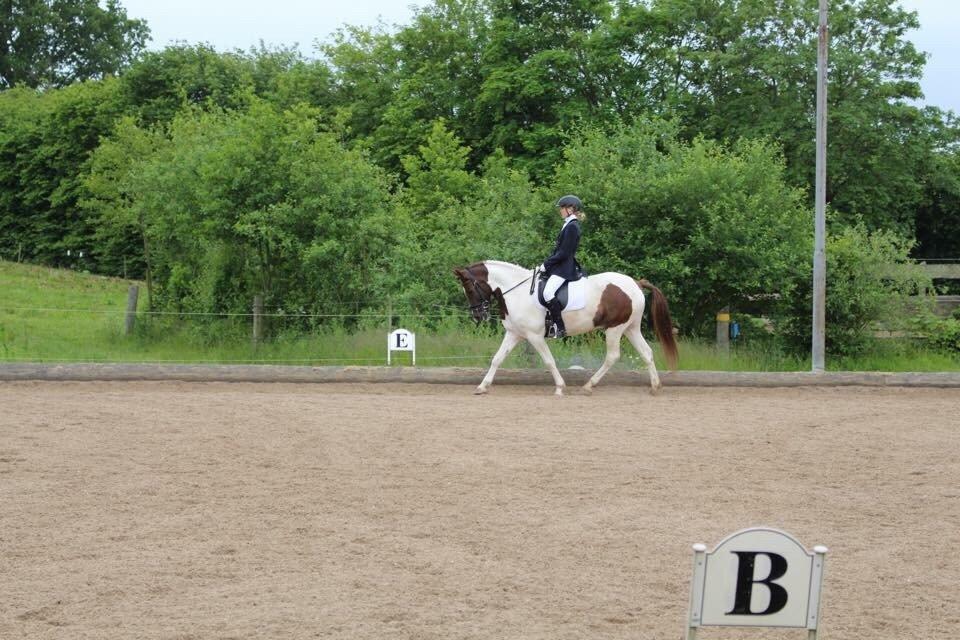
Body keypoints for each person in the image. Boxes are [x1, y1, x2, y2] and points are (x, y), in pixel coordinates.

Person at [539, 194, 584, 339]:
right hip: (559, 265)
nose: (560, 211)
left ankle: (560, 327)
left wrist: (547, 264)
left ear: (571, 209)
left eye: (562, 208)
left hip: (564, 268)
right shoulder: (568, 224)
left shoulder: (572, 227)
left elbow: (564, 253)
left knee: (548, 293)